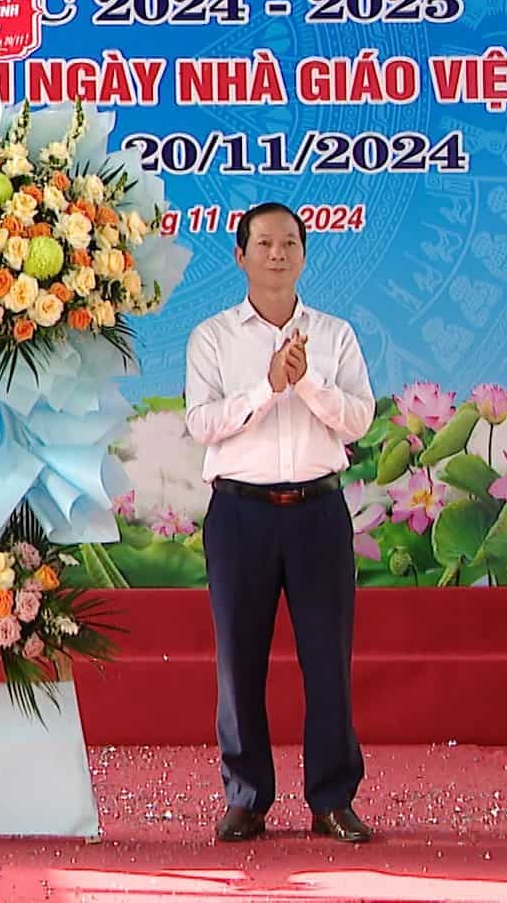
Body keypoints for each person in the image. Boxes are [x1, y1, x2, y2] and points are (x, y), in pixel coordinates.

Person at [184, 202, 377, 845]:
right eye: (263, 243)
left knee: (329, 660)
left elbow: (357, 421)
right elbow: (202, 424)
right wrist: (267, 387)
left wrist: (307, 383)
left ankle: (332, 799)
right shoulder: (212, 337)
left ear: (304, 254)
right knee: (240, 661)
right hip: (241, 514)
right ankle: (246, 798)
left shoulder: (336, 333)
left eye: (289, 242)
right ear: (239, 256)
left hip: (318, 511)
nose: (277, 253)